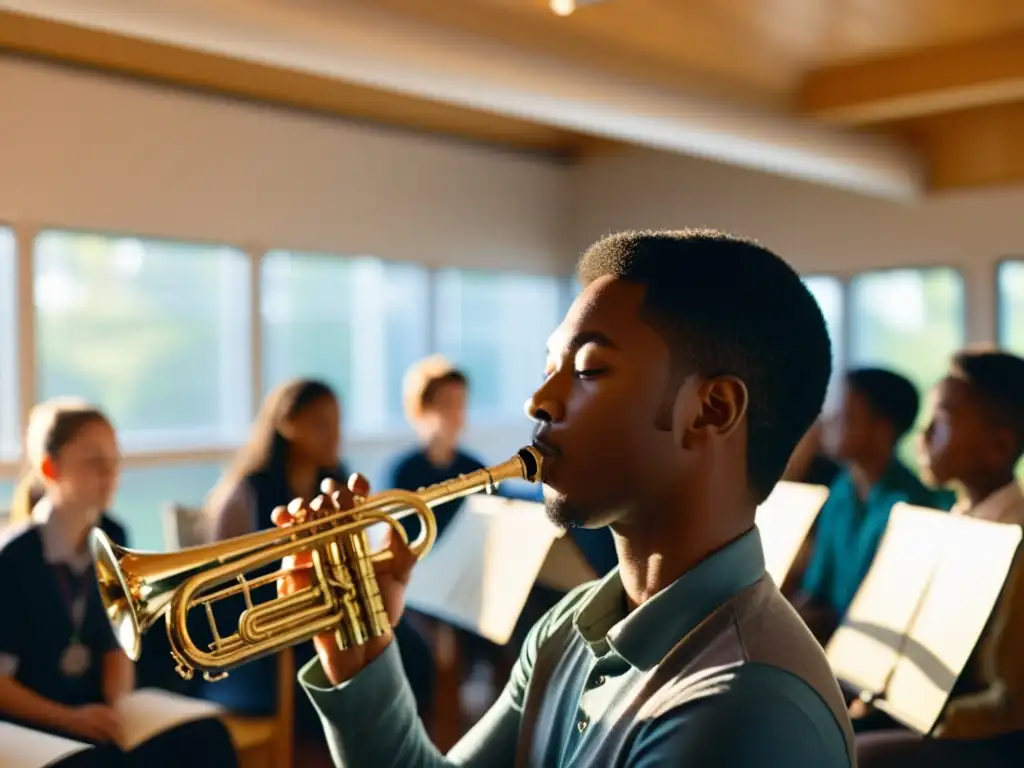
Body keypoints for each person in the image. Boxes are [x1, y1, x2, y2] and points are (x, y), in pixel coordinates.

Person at [277, 229, 856, 765]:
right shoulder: (567, 626)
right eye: (549, 366)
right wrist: (362, 656)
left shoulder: (745, 707)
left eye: (588, 369)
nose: (540, 400)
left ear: (711, 411)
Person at [0, 398, 237, 767]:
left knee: (207, 737)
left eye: (115, 460)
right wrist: (70, 718)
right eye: (95, 462)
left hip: (91, 708)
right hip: (38, 721)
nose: (110, 474)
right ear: (51, 468)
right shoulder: (14, 557)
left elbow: (118, 636)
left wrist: (117, 704)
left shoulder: (113, 533)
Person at [854, 348, 1024, 767]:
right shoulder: (948, 524)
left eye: (943, 420)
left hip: (990, 733)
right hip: (932, 710)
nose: (923, 433)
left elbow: (1011, 700)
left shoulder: (1015, 541)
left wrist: (926, 717)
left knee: (858, 755)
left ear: (999, 445)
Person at [201, 378, 353, 727]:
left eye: (337, 423)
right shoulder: (245, 492)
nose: (335, 435)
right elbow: (220, 588)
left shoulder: (336, 481)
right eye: (321, 424)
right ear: (287, 424)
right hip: (259, 635)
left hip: (317, 619)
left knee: (403, 651)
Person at [793, 368, 952, 644]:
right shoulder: (841, 490)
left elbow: (885, 611)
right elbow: (815, 591)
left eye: (847, 415)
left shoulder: (912, 508)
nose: (831, 420)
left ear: (882, 429)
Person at [388, 355, 487, 544]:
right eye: (447, 403)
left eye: (461, 403)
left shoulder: (476, 470)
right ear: (422, 408)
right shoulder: (404, 473)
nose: (456, 413)